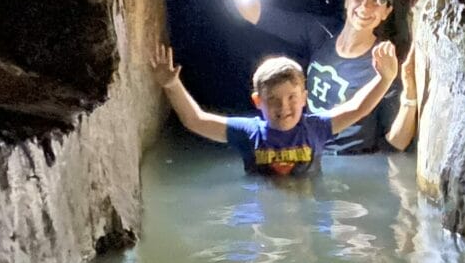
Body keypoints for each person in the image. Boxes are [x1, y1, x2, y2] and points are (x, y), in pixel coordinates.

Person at [219, 0, 417, 154]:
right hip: (307, 150)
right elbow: (257, 15)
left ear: (386, 12)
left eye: (376, 2)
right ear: (346, 0)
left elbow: (397, 142)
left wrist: (410, 94)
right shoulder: (320, 32)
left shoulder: (384, 64)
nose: (365, 8)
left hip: (351, 160)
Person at [149, 43, 398, 176]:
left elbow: (358, 108)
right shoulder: (248, 133)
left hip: (307, 206)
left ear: (304, 99)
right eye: (273, 100)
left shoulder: (317, 128)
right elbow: (196, 120)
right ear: (258, 102)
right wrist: (172, 85)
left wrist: (385, 79)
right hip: (262, 209)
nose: (284, 107)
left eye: (292, 97)